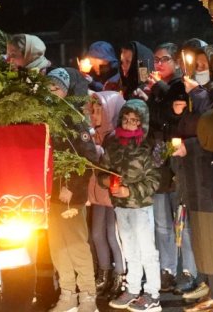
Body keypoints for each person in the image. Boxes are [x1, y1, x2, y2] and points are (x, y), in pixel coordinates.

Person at [170, 39, 213, 312]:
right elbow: (188, 126)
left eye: (202, 65)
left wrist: (197, 95)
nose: (198, 70)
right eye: (194, 66)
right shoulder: (193, 95)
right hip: (194, 176)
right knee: (203, 239)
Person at [101, 98, 164, 312]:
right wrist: (108, 182)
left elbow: (154, 179)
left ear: (142, 123)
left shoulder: (149, 145)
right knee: (129, 248)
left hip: (140, 205)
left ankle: (153, 293)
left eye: (134, 120)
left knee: (147, 249)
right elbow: (103, 170)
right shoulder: (113, 142)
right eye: (126, 119)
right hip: (120, 205)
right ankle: (133, 288)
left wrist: (131, 190)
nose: (129, 123)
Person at [148, 43, 201, 295]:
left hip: (178, 158)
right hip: (159, 160)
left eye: (164, 59)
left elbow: (174, 115)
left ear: (177, 62)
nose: (158, 65)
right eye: (155, 60)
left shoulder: (181, 86)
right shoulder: (156, 90)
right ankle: (167, 269)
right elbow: (155, 118)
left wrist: (160, 90)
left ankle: (189, 270)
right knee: (161, 221)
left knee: (183, 220)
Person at [47, 68, 100, 312]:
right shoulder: (46, 116)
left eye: (55, 87)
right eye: (48, 87)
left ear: (66, 90)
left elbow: (87, 157)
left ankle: (88, 295)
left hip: (70, 194)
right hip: (50, 193)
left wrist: (72, 186)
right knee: (56, 244)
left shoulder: (74, 118)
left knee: (77, 244)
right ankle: (67, 294)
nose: (51, 92)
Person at [88, 89, 128, 299]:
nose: (94, 115)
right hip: (97, 194)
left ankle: (120, 275)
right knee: (96, 234)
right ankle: (104, 273)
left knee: (113, 235)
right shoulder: (94, 135)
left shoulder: (115, 137)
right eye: (92, 111)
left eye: (99, 111)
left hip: (111, 195)